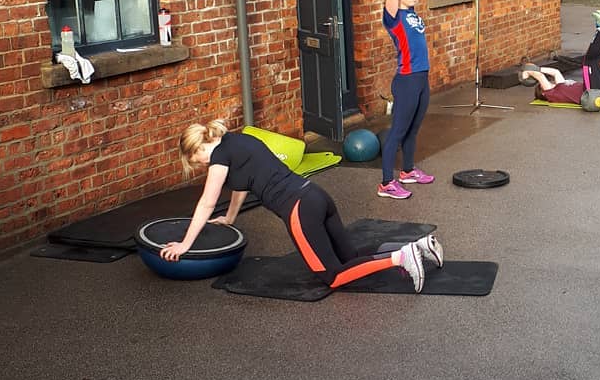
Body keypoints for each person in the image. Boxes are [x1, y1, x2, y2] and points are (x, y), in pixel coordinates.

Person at [161, 120, 443, 292]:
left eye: (194, 162)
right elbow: (239, 187)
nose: (199, 167)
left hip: (298, 209)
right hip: (316, 196)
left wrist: (185, 244)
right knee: (350, 254)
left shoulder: (219, 157)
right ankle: (420, 247)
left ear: (197, 150)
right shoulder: (238, 140)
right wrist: (230, 218)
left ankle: (402, 259)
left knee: (332, 276)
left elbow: (206, 203)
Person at [377, 0, 433, 200]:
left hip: (421, 79)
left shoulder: (411, 11)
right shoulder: (393, 16)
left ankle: (408, 171)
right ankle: (387, 182)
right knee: (398, 130)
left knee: (414, 128)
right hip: (407, 80)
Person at [521, 9, 600, 105]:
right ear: (542, 92)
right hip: (591, 95)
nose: (550, 83)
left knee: (593, 59)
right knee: (587, 61)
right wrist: (527, 71)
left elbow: (555, 72)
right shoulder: (549, 93)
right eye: (542, 85)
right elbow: (540, 76)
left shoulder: (560, 86)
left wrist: (538, 68)